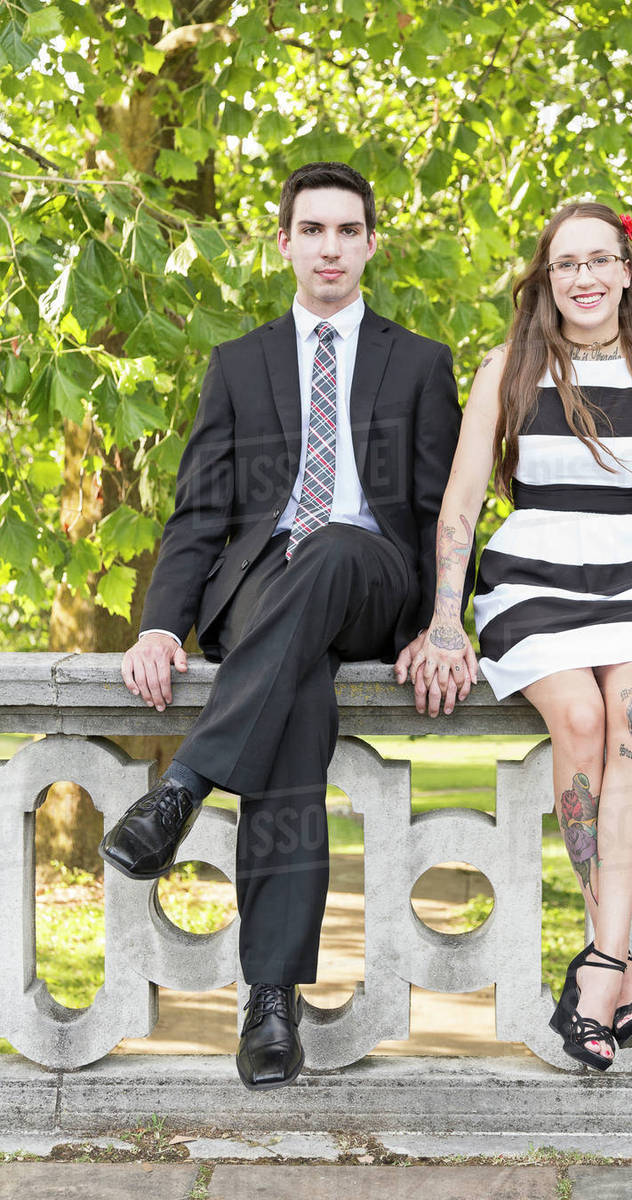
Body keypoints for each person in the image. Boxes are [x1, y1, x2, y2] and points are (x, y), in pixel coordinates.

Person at [99, 162, 466, 1090]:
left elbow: (436, 512)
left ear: (371, 243)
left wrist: (441, 623)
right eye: (313, 230)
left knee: (339, 542)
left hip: (374, 577)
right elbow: (197, 517)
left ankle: (180, 788)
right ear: (284, 244)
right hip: (264, 589)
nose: (331, 247)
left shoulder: (418, 362)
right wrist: (159, 627)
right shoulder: (239, 363)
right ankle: (271, 1002)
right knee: (293, 704)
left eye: (348, 230)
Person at [397, 202, 632, 1070]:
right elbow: (461, 502)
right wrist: (446, 621)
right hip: (531, 577)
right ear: (544, 279)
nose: (585, 277)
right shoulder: (506, 368)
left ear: (626, 272)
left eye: (601, 260)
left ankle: (599, 963)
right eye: (566, 264)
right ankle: (617, 967)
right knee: (583, 723)